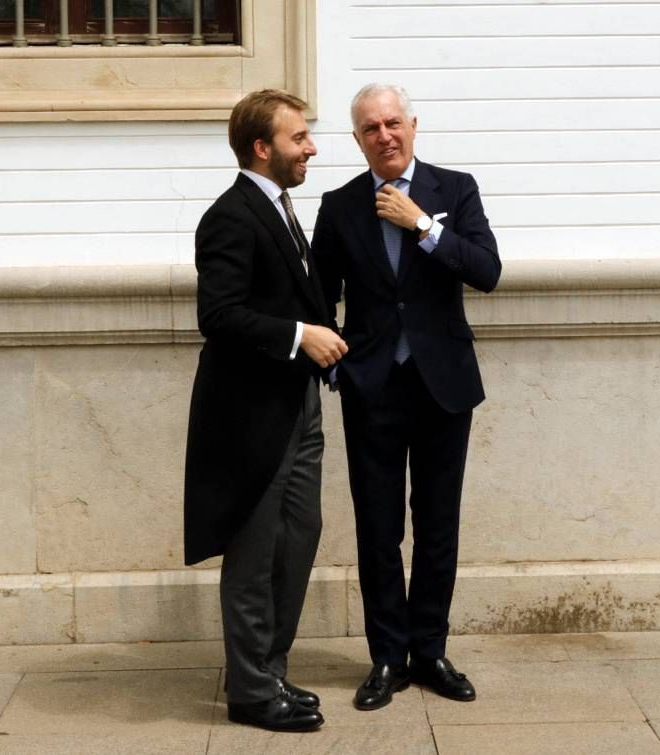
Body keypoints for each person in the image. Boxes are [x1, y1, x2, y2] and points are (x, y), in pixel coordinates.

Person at [311, 83, 501, 710]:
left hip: (443, 385)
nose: (385, 136)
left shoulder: (455, 190)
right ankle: (387, 660)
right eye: (371, 128)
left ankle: (431, 652)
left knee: (438, 526)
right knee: (377, 529)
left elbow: (487, 271)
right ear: (358, 139)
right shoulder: (339, 207)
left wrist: (420, 224)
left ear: (413, 126)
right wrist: (337, 363)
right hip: (373, 389)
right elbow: (318, 296)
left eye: (393, 123)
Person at [183, 89, 347, 732]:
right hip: (251, 418)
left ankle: (271, 670)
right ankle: (251, 693)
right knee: (254, 555)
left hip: (298, 407)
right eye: (298, 137)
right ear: (262, 147)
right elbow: (218, 316)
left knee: (295, 542)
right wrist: (299, 335)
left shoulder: (279, 210)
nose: (310, 148)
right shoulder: (230, 216)